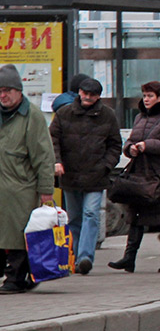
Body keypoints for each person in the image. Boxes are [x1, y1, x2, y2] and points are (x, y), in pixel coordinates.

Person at [108, 81, 160, 274]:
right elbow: (132, 140)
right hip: (141, 174)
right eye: (144, 96)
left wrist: (147, 145)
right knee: (136, 216)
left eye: (150, 96)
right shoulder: (140, 117)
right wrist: (130, 149)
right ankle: (129, 258)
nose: (147, 99)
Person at [49, 77, 122, 276]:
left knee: (90, 214)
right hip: (70, 175)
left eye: (92, 95)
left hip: (95, 176)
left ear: (98, 96)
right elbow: (52, 139)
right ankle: (74, 256)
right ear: (79, 92)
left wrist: (106, 166)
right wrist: (57, 161)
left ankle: (85, 257)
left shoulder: (108, 116)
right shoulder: (64, 114)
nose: (88, 97)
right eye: (85, 93)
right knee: (74, 218)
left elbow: (116, 145)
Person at [0, 64, 55, 293]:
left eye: (7, 90)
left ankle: (16, 278)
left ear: (19, 90)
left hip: (21, 188)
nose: (2, 95)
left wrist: (46, 190)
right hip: (3, 187)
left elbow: (44, 156)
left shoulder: (32, 116)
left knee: (19, 236)